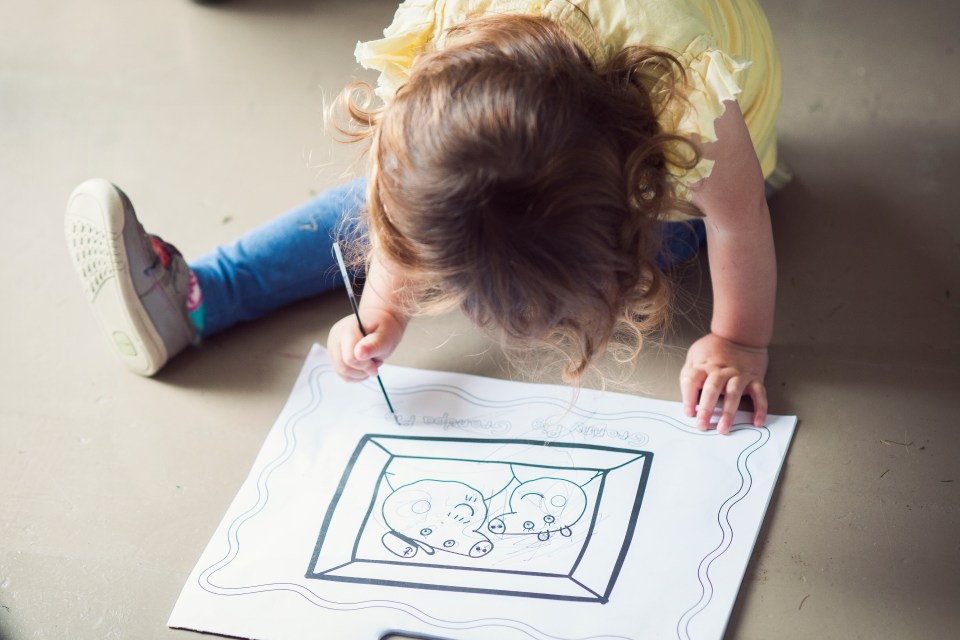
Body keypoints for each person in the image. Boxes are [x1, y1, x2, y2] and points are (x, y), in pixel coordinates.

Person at [65, 0, 789, 435]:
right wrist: (385, 305)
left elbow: (739, 218)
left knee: (672, 239)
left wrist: (737, 342)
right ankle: (199, 296)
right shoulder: (443, 50)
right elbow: (403, 211)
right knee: (395, 204)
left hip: (682, 170)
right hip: (538, 117)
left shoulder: (687, 110)